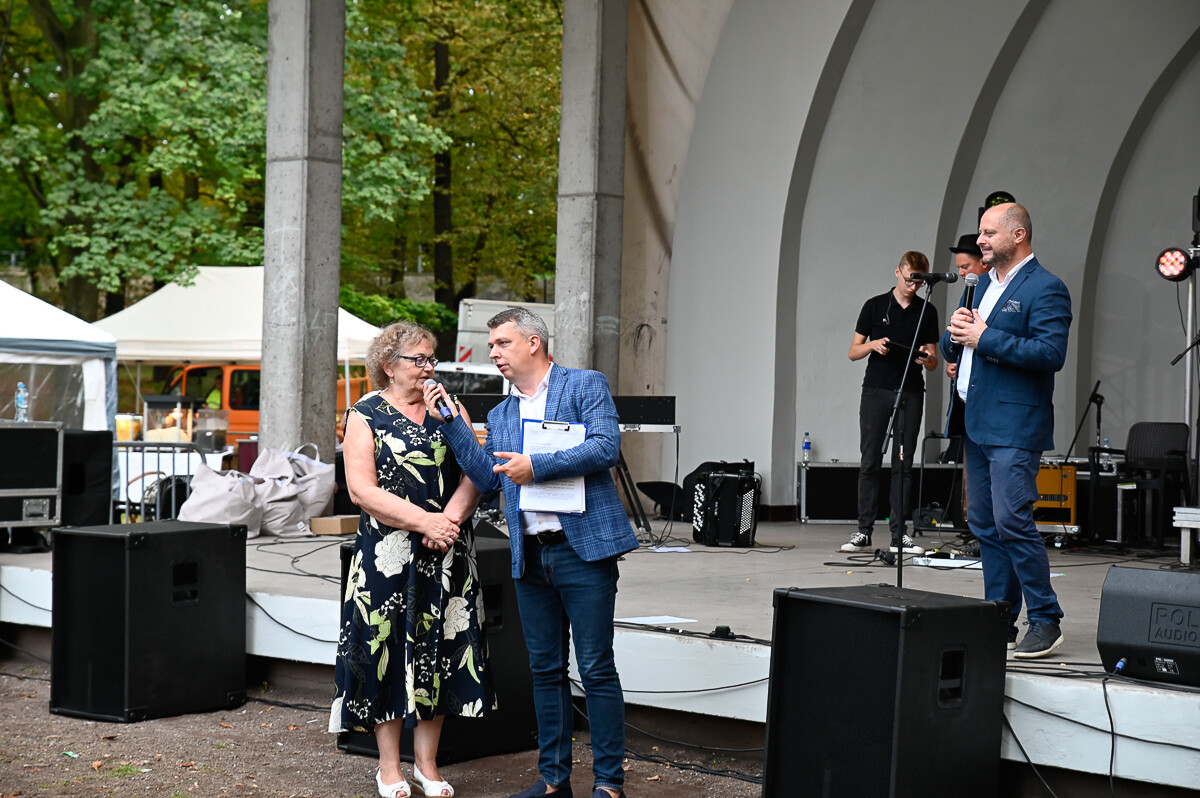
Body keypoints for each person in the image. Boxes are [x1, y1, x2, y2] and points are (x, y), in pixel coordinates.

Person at [426, 306, 637, 798]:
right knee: (544, 671)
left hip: (582, 552)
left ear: (533, 343)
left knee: (596, 668)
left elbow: (606, 447)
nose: (494, 353)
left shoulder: (583, 385)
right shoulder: (502, 413)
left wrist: (536, 467)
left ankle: (609, 785)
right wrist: (453, 424)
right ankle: (553, 782)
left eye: (502, 343)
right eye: (492, 345)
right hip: (530, 554)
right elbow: (486, 479)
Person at [330, 321, 494, 798]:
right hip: (388, 555)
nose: (428, 368)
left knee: (439, 651)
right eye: (417, 359)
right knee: (385, 652)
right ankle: (389, 768)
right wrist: (425, 523)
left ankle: (427, 764)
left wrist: (450, 522)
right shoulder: (364, 413)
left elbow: (476, 472)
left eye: (431, 359)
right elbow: (362, 490)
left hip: (447, 550)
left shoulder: (450, 408)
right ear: (388, 365)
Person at [940, 202, 1071, 659]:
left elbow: (1051, 353)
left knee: (1012, 519)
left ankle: (1046, 618)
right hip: (975, 421)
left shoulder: (1046, 287)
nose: (980, 240)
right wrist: (954, 332)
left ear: (1018, 235)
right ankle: (999, 617)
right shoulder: (979, 285)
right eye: (980, 232)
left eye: (989, 232)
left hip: (1014, 423)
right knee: (984, 523)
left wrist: (985, 338)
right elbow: (956, 343)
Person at [842, 251, 940, 556]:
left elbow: (934, 361)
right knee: (870, 459)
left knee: (903, 463)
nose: (913, 286)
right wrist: (873, 344)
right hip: (876, 390)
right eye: (910, 279)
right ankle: (864, 531)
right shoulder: (874, 306)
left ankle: (899, 535)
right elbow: (853, 351)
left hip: (910, 390)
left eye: (919, 282)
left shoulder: (927, 310)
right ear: (897, 272)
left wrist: (927, 359)